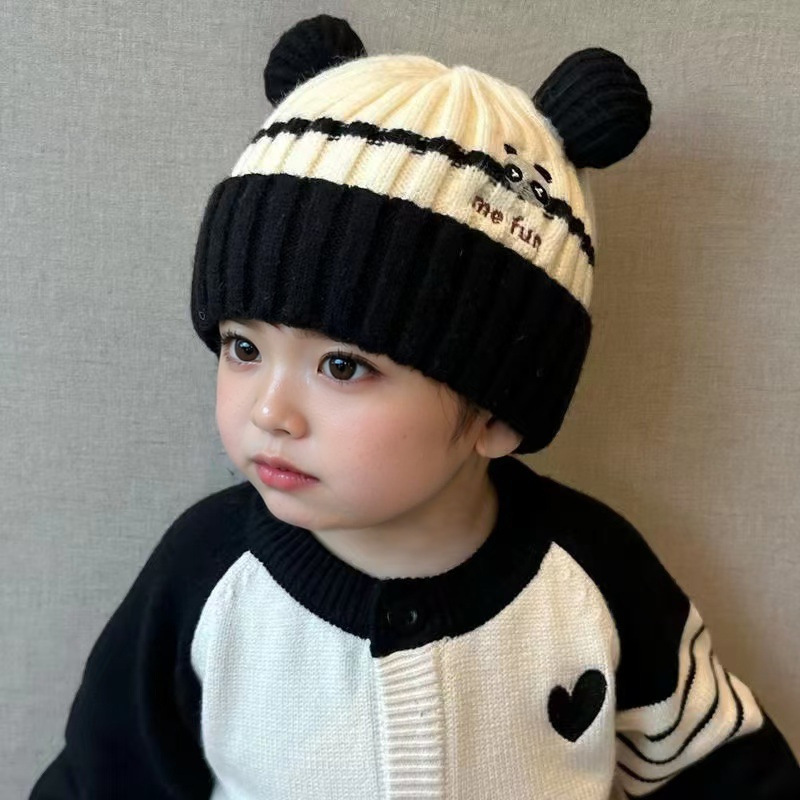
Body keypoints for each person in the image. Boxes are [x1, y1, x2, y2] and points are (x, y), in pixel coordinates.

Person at [30, 13, 800, 800]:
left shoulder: (595, 580)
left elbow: (729, 776)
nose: (269, 412)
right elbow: (101, 781)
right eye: (243, 347)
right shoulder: (204, 578)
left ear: (496, 413)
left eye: (341, 366)